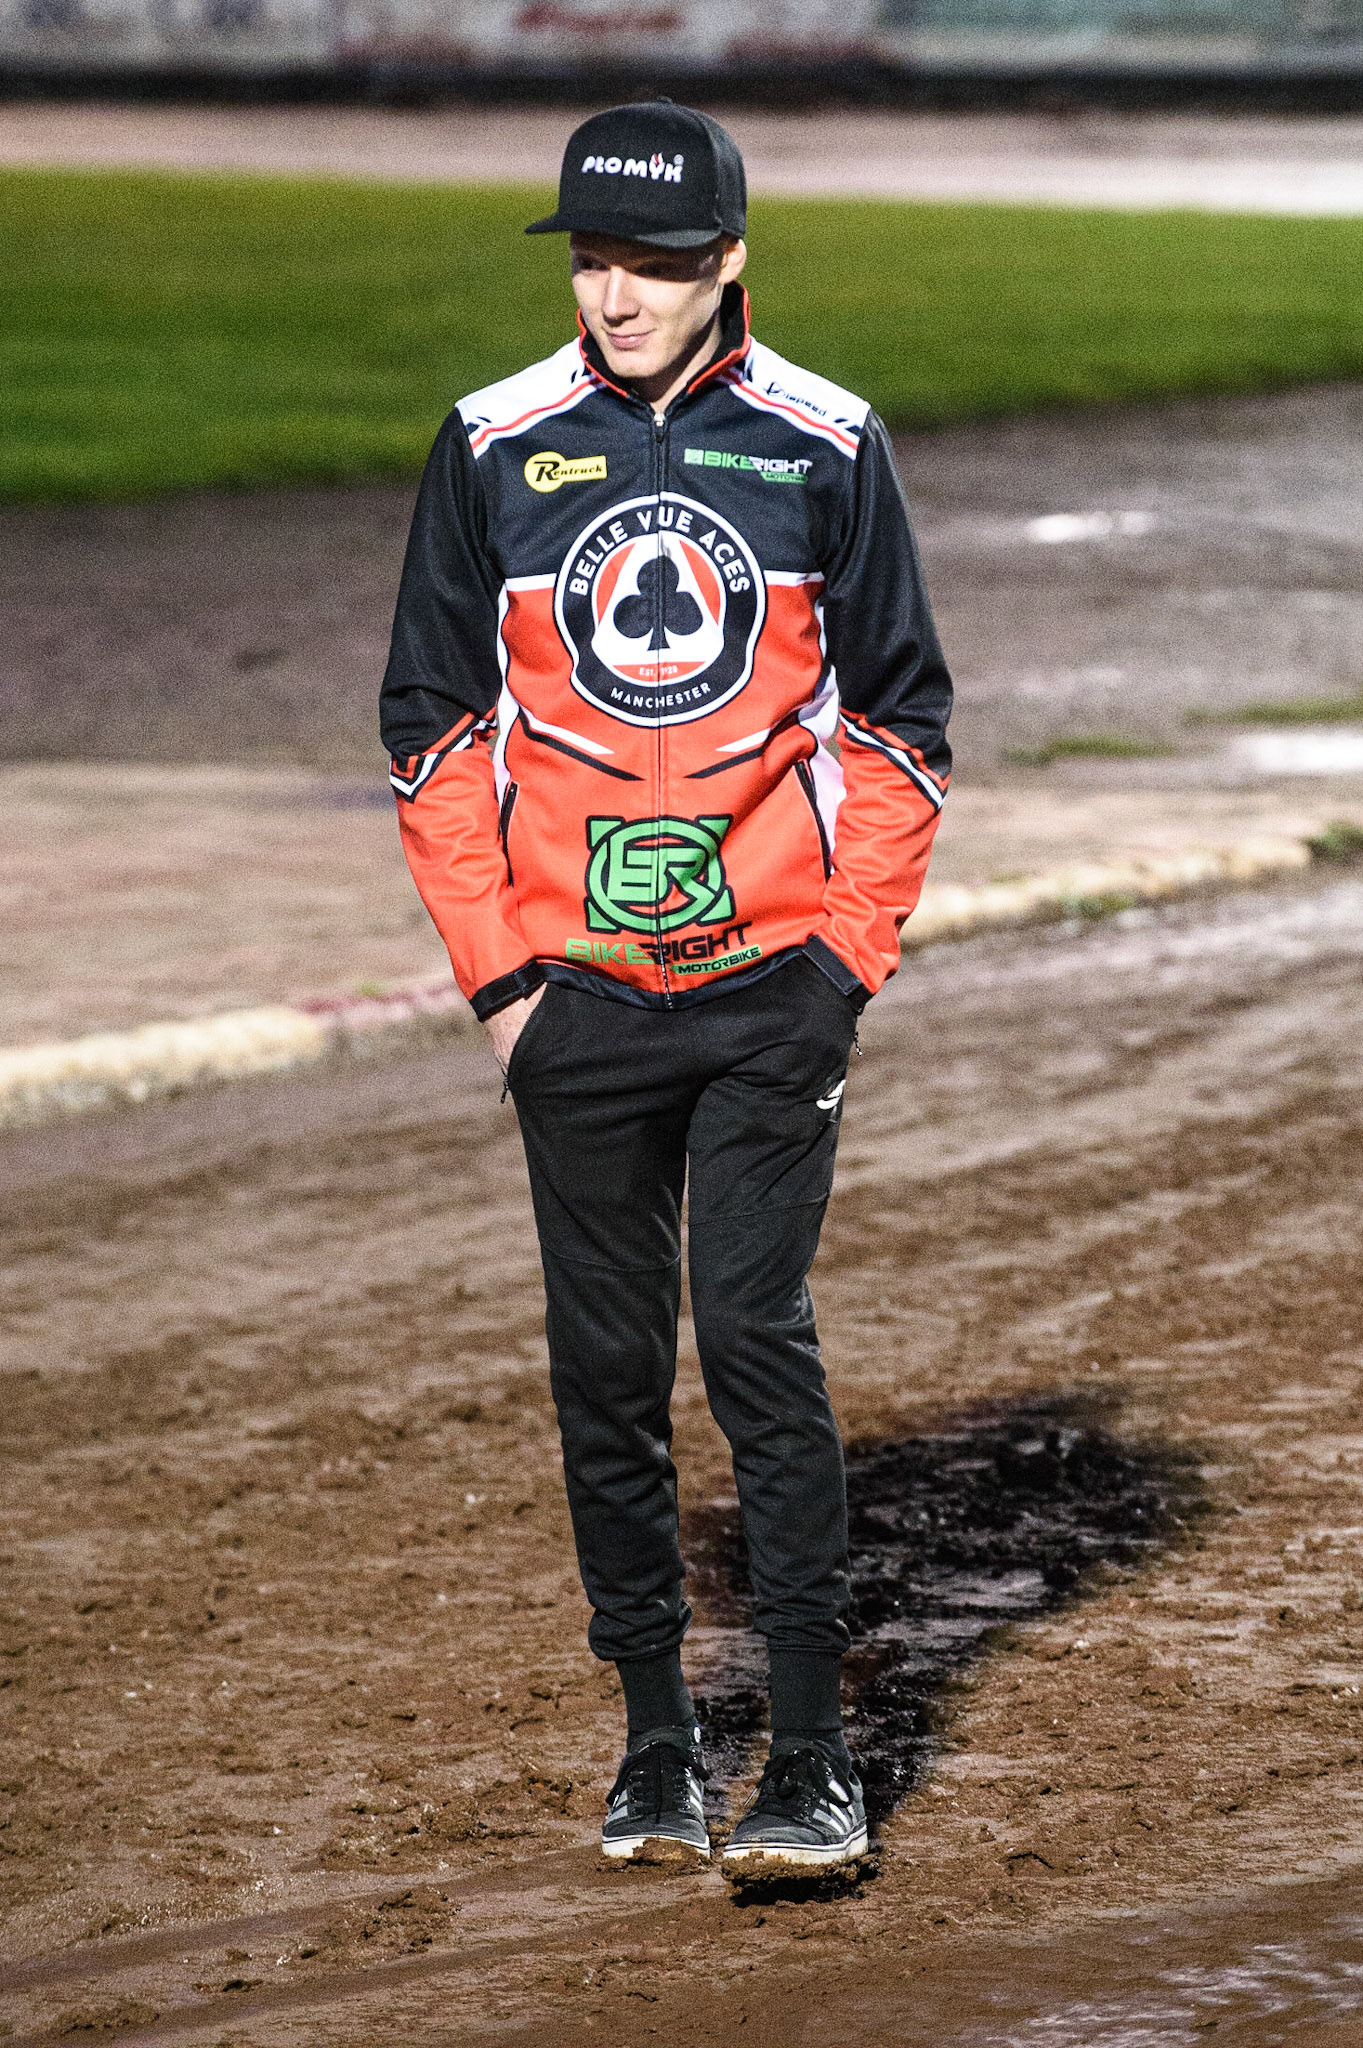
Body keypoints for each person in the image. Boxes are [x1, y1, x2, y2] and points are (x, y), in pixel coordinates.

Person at [380, 98, 952, 1870]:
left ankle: (811, 1757)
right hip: (578, 1009)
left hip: (776, 994)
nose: (618, 295)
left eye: (658, 262)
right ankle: (652, 1740)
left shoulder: (827, 445)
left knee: (756, 1343)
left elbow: (909, 722)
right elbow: (427, 727)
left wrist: (845, 959)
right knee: (607, 1370)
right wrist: (504, 988)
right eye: (595, 258)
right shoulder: (490, 445)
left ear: (732, 267)